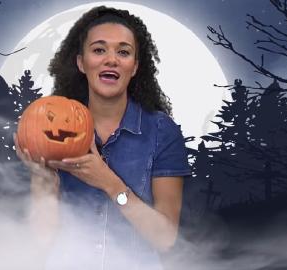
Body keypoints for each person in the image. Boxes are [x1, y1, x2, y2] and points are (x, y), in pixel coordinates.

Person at [14, 6, 191, 270]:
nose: (111, 59)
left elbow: (165, 239)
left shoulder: (162, 132)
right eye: (99, 50)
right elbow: (40, 242)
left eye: (123, 52)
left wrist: (110, 184)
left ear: (134, 67)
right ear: (81, 62)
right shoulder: (48, 127)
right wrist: (44, 182)